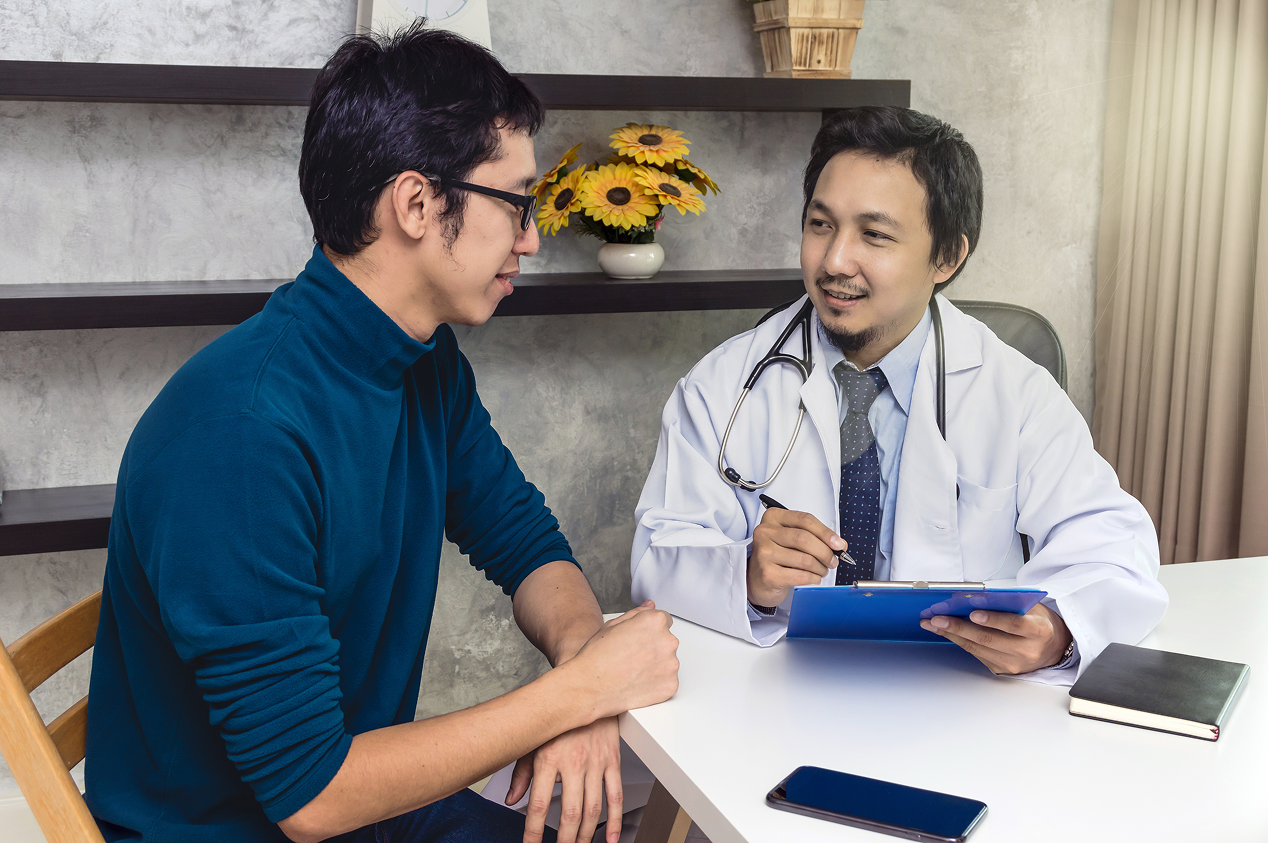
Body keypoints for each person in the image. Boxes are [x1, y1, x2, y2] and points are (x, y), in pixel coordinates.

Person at [85, 24, 679, 844]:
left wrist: (587, 665)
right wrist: (577, 696)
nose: (531, 238)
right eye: (515, 204)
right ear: (415, 203)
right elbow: (311, 796)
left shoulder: (422, 361)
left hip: (366, 804)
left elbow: (523, 539)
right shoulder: (240, 437)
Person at [630, 106, 1166, 681]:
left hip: (962, 699)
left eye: (875, 235)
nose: (834, 261)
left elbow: (1115, 548)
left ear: (947, 258)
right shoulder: (724, 384)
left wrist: (1057, 628)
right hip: (774, 691)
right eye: (820, 225)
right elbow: (657, 556)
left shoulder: (1015, 391)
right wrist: (746, 576)